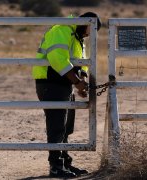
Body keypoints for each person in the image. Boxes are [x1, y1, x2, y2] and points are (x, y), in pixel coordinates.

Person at [32, 12, 102, 178]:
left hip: (63, 84)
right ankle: (56, 166)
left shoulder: (76, 36)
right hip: (51, 83)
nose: (88, 35)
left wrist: (81, 79)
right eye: (89, 30)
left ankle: (65, 163)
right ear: (85, 23)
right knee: (57, 126)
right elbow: (57, 59)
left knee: (65, 127)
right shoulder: (62, 29)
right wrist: (77, 82)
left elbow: (81, 62)